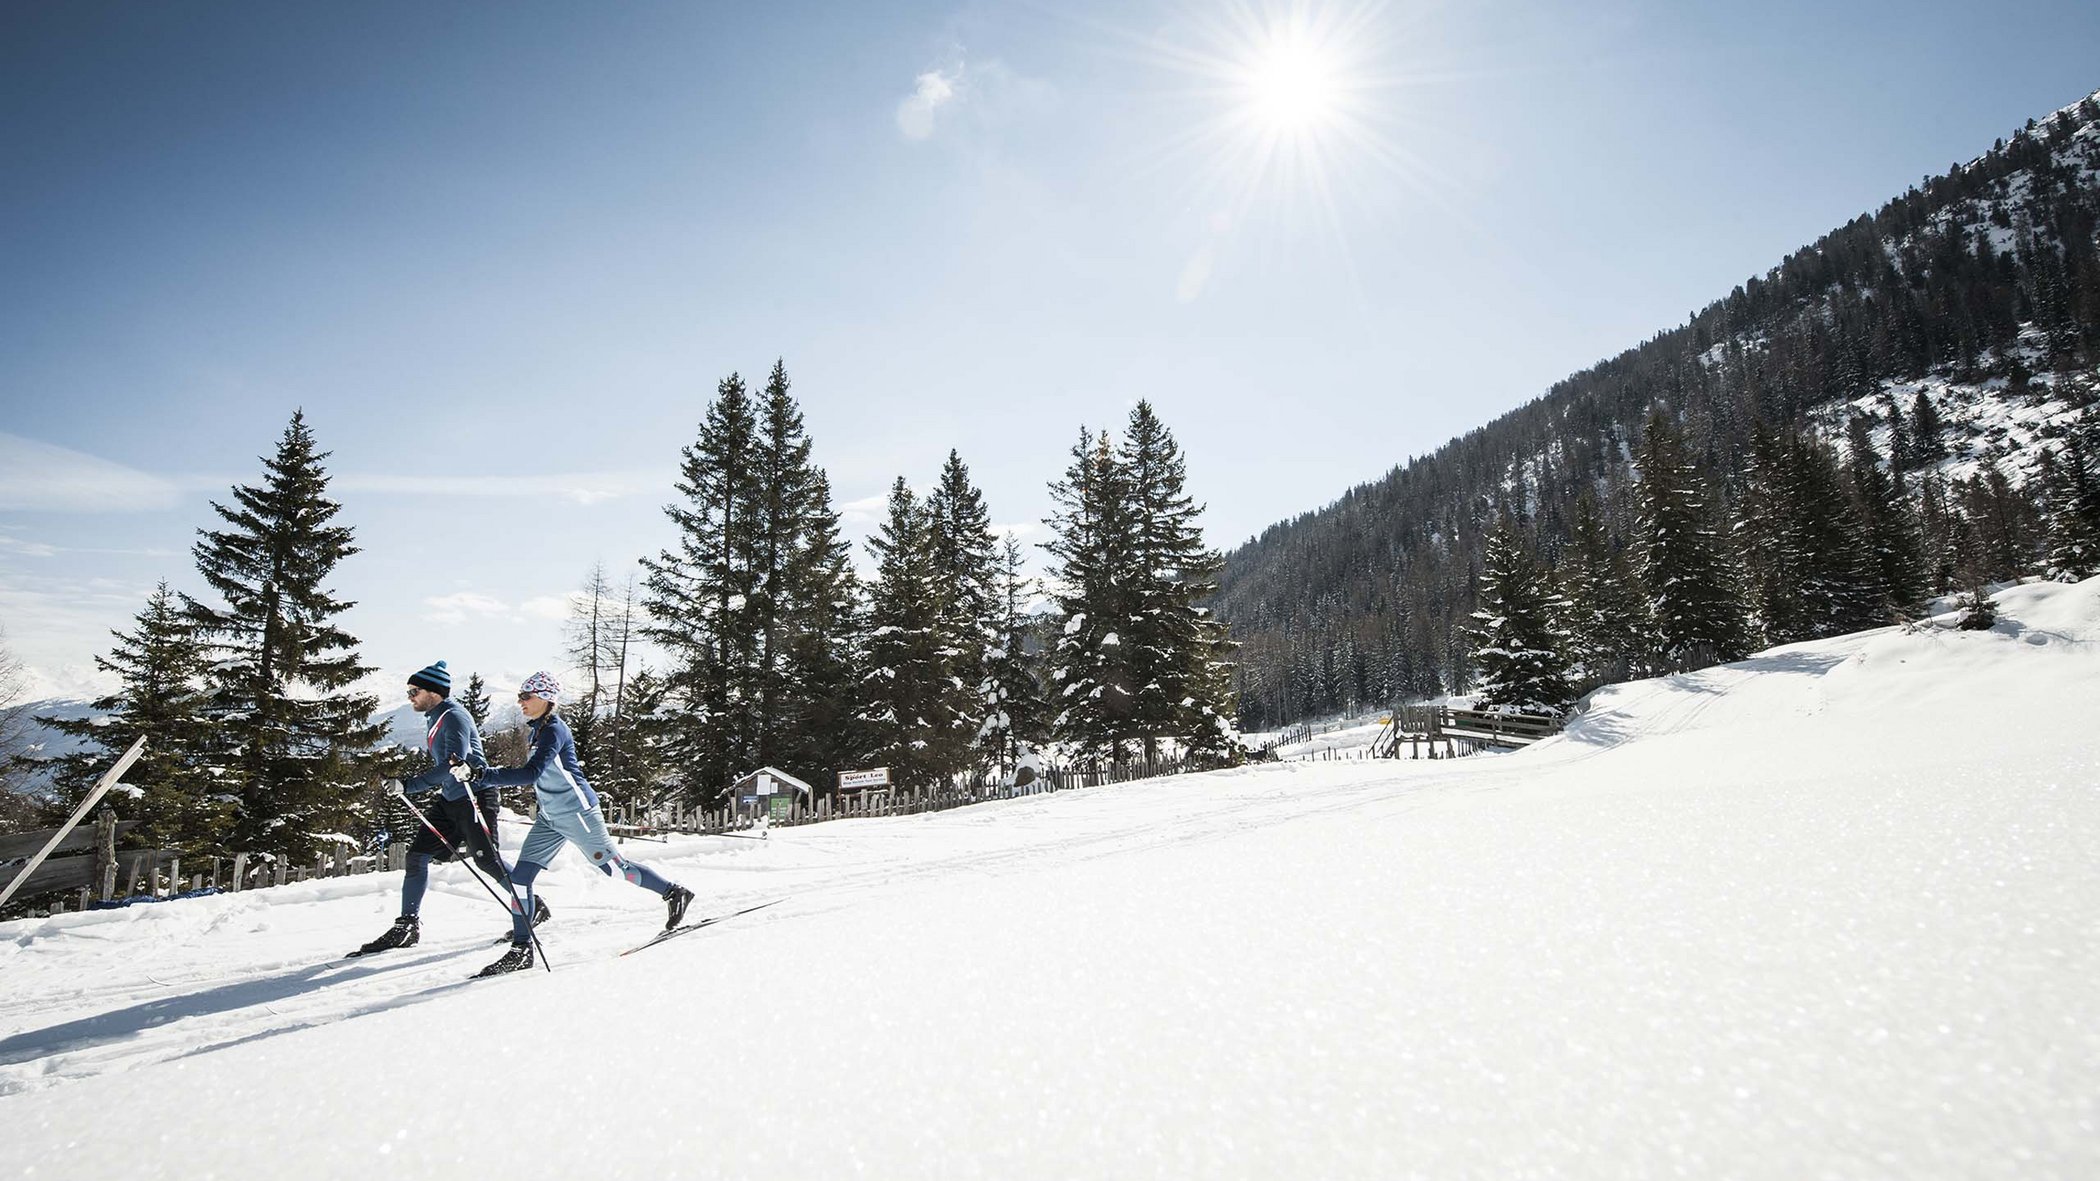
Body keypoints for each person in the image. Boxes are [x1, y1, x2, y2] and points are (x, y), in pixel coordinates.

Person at [462, 670, 694, 976]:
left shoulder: (554, 730)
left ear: (546, 699)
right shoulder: (536, 730)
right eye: (519, 696)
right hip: (550, 817)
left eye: (526, 696)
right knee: (520, 879)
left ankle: (673, 892)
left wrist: (483, 775)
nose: (521, 702)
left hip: (577, 813)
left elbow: (531, 773)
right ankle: (521, 949)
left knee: (613, 868)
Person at [352, 659, 547, 955]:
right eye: (409, 691)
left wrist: (409, 784)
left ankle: (532, 906)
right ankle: (407, 926)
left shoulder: (453, 716)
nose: (410, 696)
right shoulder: (435, 715)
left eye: (414, 690)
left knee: (487, 862)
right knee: (417, 856)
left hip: (475, 797)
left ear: (434, 691)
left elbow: (453, 763)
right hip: (451, 799)